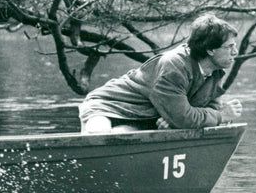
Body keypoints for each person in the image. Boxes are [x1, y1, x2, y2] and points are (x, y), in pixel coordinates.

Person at [79, 13, 243, 133]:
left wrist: (175, 121)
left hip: (144, 119)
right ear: (210, 50)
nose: (235, 52)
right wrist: (221, 116)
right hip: (107, 106)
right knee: (99, 135)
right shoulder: (174, 65)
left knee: (121, 137)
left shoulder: (214, 71)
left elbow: (206, 107)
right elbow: (185, 118)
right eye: (230, 47)